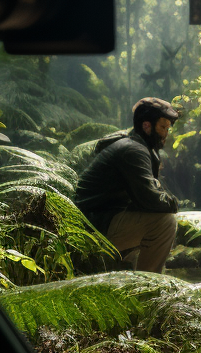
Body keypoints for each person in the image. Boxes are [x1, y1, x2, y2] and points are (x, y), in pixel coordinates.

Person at [74, 97, 182, 274]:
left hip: (99, 220)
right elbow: (151, 199)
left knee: (152, 218)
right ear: (147, 126)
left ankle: (128, 278)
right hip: (93, 225)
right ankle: (148, 289)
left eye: (168, 129)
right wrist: (173, 203)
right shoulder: (134, 150)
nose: (166, 134)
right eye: (163, 127)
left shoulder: (137, 146)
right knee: (165, 223)